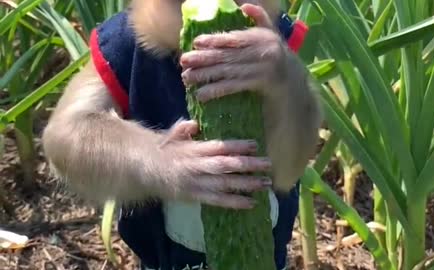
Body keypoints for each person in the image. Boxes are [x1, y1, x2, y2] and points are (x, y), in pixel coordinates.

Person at [42, 1, 321, 269]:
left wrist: (285, 77)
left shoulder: (276, 41)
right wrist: (157, 160)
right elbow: (64, 136)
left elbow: (292, 165)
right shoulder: (126, 46)